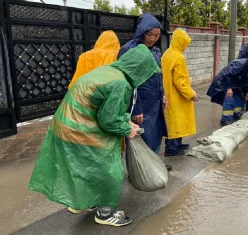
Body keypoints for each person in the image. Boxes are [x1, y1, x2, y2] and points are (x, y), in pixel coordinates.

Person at [28, 44, 160, 226]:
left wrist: (126, 120)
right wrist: (127, 130)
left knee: (87, 168)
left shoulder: (110, 72)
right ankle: (104, 214)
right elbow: (108, 120)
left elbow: (105, 107)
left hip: (66, 125)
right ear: (139, 69)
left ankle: (89, 200)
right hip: (80, 129)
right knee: (110, 170)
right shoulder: (121, 84)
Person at [119, 14, 178, 168]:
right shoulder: (129, 50)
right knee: (141, 137)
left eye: (156, 35)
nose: (152, 38)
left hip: (155, 102)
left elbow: (158, 75)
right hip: (141, 103)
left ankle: (154, 165)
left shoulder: (156, 51)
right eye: (149, 34)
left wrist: (163, 94)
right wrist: (136, 109)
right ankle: (139, 171)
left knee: (156, 134)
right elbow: (126, 81)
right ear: (141, 31)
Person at [161, 28, 198, 156]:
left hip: (168, 92)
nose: (186, 47)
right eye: (185, 44)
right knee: (177, 120)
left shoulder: (167, 54)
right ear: (181, 42)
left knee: (172, 121)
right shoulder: (178, 57)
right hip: (176, 95)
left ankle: (176, 144)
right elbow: (180, 81)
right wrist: (191, 93)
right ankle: (172, 148)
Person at [207, 54, 248, 126]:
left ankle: (236, 115)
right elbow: (227, 75)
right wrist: (229, 89)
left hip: (235, 84)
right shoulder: (239, 64)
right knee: (229, 99)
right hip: (224, 83)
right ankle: (225, 120)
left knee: (238, 99)